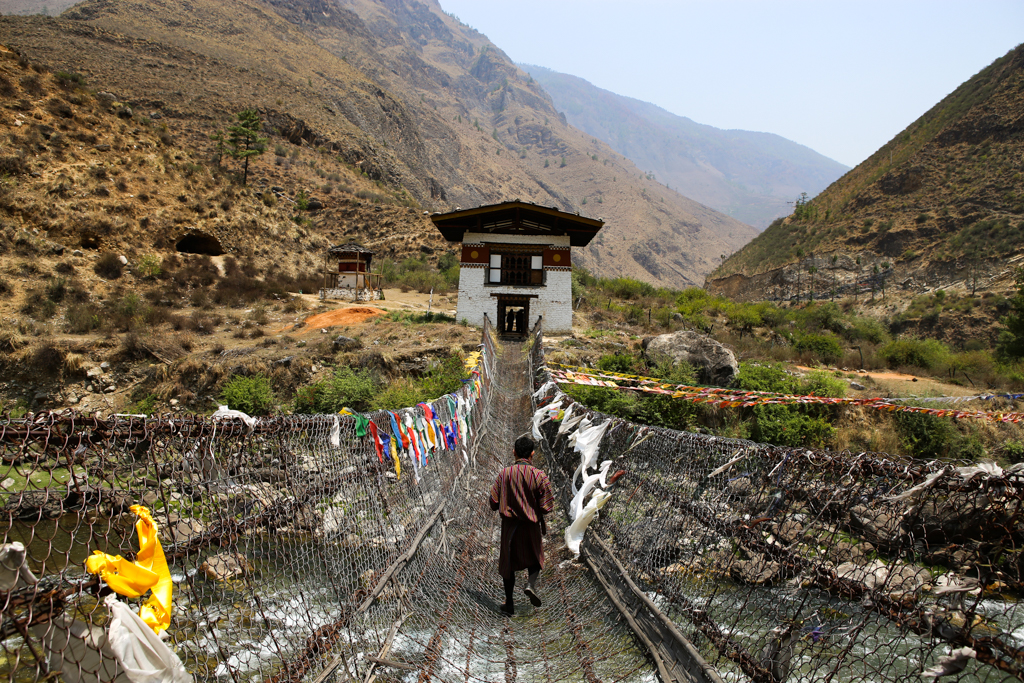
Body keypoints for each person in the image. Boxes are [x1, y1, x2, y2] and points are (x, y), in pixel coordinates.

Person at [489, 435, 554, 615]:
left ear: (514, 452)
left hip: (510, 528)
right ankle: (530, 585)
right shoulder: (539, 476)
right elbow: (547, 505)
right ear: (532, 454)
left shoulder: (504, 474)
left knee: (508, 565)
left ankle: (509, 603)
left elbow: (493, 502)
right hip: (531, 526)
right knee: (536, 557)